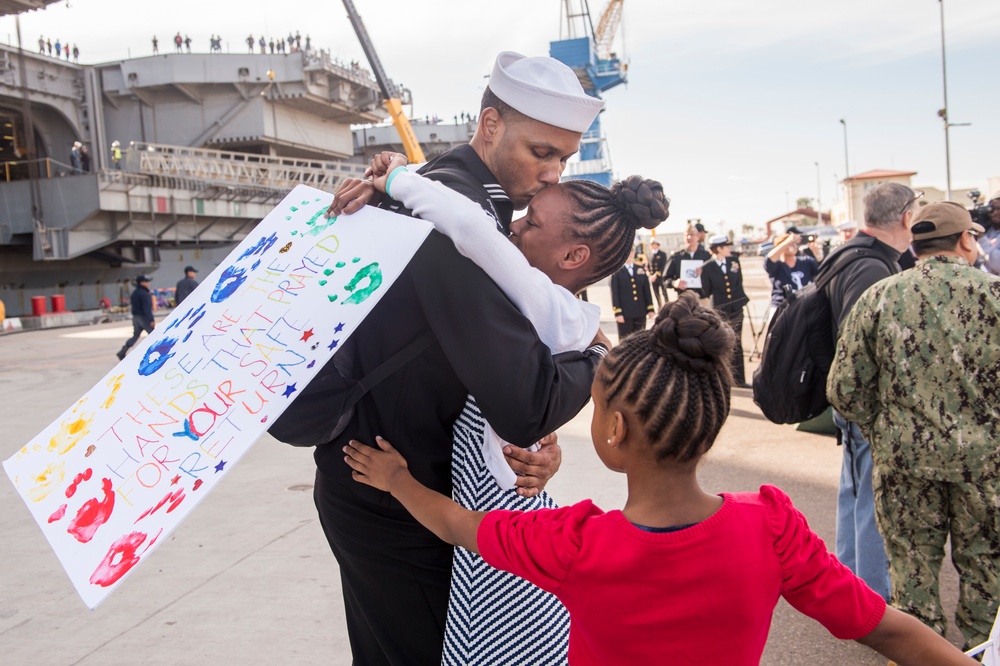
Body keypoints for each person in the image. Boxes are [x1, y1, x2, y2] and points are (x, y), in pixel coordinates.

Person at [344, 292, 978, 666]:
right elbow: (887, 628)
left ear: (614, 431)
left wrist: (397, 478)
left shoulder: (575, 543)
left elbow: (458, 524)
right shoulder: (771, 526)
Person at [280, 51, 607, 665]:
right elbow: (523, 401)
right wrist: (596, 360)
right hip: (395, 495)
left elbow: (489, 376)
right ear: (489, 125)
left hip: (399, 483)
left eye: (563, 158)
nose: (553, 174)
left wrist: (535, 445)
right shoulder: (453, 222)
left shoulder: (446, 199)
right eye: (542, 152)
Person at [356, 151, 666, 664]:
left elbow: (470, 229)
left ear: (573, 258)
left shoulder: (541, 297)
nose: (515, 227)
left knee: (483, 643)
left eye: (533, 222)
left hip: (495, 518)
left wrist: (399, 178)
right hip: (513, 503)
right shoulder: (573, 317)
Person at [828, 201, 999, 648]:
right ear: (965, 240)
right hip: (984, 468)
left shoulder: (880, 297)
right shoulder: (995, 294)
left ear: (918, 245)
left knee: (911, 572)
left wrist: (884, 431)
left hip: (904, 465)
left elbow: (844, 388)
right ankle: (983, 651)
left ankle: (922, 656)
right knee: (987, 572)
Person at [824, 181, 918, 602]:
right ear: (905, 217)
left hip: (850, 400)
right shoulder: (872, 267)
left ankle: (848, 586)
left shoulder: (853, 255)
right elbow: (862, 343)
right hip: (866, 402)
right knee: (872, 503)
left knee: (854, 492)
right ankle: (870, 597)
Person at [700, 234, 748, 387]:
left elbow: (739, 282)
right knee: (723, 343)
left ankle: (740, 379)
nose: (729, 248)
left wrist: (742, 300)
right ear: (719, 249)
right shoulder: (707, 267)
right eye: (726, 246)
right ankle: (725, 379)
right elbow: (705, 291)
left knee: (738, 342)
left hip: (736, 307)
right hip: (721, 309)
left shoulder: (734, 261)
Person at [764, 231, 820, 309]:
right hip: (782, 305)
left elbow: (821, 270)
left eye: (795, 244)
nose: (793, 246)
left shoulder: (806, 261)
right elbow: (769, 260)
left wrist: (817, 254)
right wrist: (788, 241)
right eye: (790, 244)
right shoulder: (777, 265)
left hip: (806, 302)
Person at [610, 259, 655, 340]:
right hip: (625, 314)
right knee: (625, 341)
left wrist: (650, 309)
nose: (630, 254)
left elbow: (646, 290)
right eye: (629, 251)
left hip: (640, 312)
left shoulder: (640, 269)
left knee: (640, 340)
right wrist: (618, 313)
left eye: (632, 251)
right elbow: (615, 294)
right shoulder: (617, 271)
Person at [664, 223, 710, 299]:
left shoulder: (707, 256)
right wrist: (674, 283)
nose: (689, 237)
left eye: (692, 235)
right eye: (687, 235)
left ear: (698, 237)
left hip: (703, 300)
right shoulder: (676, 257)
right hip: (683, 301)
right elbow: (665, 280)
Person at [116, 275, 155, 360]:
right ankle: (156, 353)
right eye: (146, 282)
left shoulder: (135, 293)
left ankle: (122, 351)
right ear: (142, 283)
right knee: (154, 335)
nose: (148, 283)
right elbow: (147, 308)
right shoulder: (144, 294)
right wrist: (151, 319)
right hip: (143, 317)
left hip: (136, 317)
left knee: (135, 336)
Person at [978, 194, 1000, 276]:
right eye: (992, 209)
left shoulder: (982, 237)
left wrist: (981, 239)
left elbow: (998, 265)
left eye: (999, 209)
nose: (996, 213)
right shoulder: (988, 231)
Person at [647, 238, 668, 308]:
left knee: (664, 292)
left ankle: (667, 305)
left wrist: (656, 275)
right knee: (656, 293)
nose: (652, 245)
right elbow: (648, 266)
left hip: (660, 277)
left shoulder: (662, 254)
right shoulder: (650, 254)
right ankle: (660, 306)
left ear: (657, 245)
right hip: (653, 278)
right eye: (652, 244)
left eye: (654, 244)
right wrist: (650, 275)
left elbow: (663, 266)